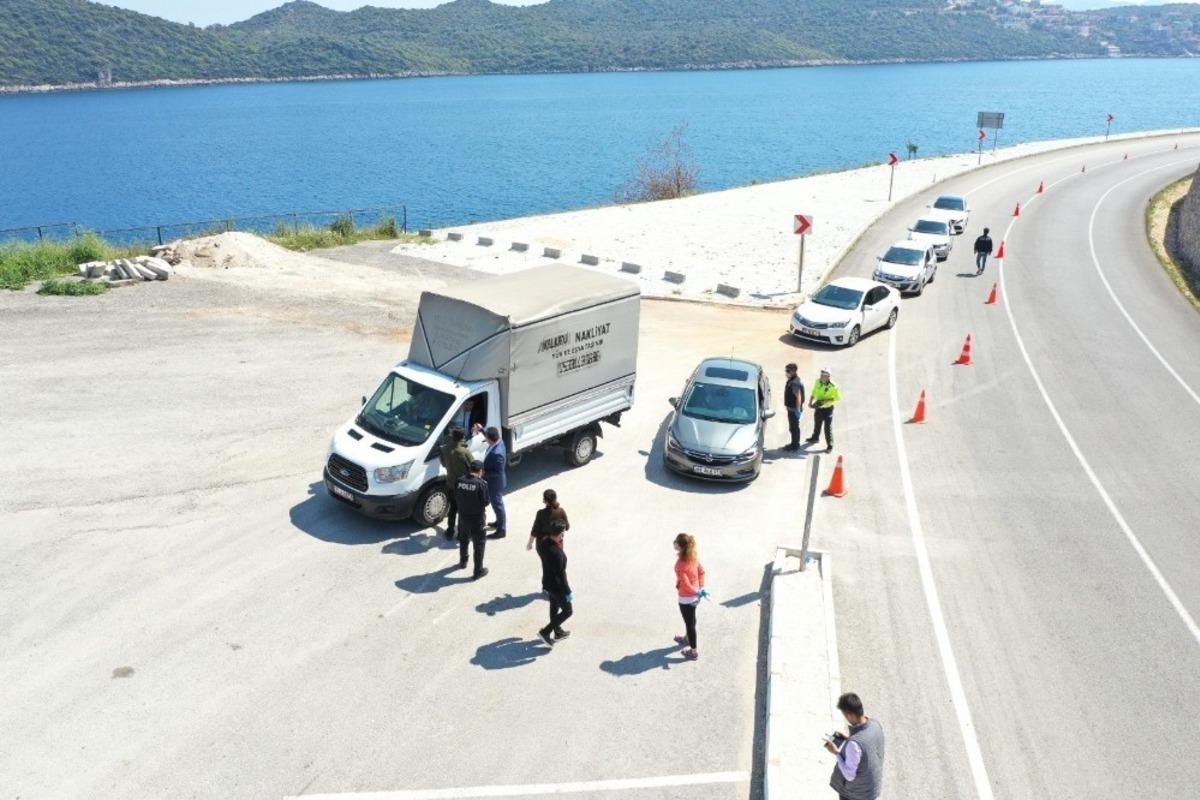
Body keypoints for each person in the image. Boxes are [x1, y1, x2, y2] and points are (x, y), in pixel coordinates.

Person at [825, 692, 886, 800]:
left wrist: (836, 753)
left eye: (845, 715)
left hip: (856, 794)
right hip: (872, 789)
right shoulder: (876, 724)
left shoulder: (854, 744)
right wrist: (849, 740)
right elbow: (867, 747)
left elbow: (849, 775)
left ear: (849, 715)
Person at [536, 519, 573, 646]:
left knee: (554, 606)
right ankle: (546, 632)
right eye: (562, 534)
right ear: (557, 534)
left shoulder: (544, 543)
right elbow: (561, 575)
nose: (563, 536)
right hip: (557, 586)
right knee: (568, 611)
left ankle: (557, 631)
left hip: (548, 582)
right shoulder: (556, 554)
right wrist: (567, 591)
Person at [453, 461, 490, 579]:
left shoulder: (459, 481)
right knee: (479, 544)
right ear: (480, 471)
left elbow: (455, 495)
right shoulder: (481, 484)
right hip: (477, 519)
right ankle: (478, 571)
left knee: (464, 539)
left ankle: (463, 561)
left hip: (463, 517)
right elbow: (486, 502)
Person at [673, 533, 706, 661]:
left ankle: (693, 652)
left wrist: (695, 592)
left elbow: (686, 584)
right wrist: (701, 589)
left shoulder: (680, 565)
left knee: (690, 624)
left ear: (681, 547)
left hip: (686, 599)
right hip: (696, 598)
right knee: (691, 619)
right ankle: (687, 638)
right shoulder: (694, 557)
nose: (674, 543)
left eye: (676, 542)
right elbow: (702, 572)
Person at [439, 427, 473, 541]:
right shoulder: (464, 452)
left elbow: (443, 464)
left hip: (450, 484)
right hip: (463, 487)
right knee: (463, 511)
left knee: (452, 509)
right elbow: (473, 468)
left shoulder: (445, 449)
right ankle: (460, 533)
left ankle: (450, 530)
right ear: (463, 437)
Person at [806, 369, 841, 453]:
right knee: (817, 423)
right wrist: (810, 401)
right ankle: (815, 438)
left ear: (828, 377)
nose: (821, 377)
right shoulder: (817, 382)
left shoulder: (834, 386)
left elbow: (837, 398)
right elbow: (814, 391)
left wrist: (826, 401)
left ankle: (830, 445)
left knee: (827, 428)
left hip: (828, 409)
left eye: (824, 376)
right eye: (821, 375)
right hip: (818, 407)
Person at [483, 427, 508, 539]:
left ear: (490, 439)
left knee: (498, 506)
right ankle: (498, 522)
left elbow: (498, 472)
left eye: (486, 437)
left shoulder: (497, 453)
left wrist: (483, 473)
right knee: (496, 505)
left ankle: (501, 530)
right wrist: (481, 430)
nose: (485, 439)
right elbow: (489, 435)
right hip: (493, 483)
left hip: (495, 483)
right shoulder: (499, 441)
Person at [782, 362, 807, 451]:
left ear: (794, 371)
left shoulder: (795, 382)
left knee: (794, 428)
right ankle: (794, 443)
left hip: (793, 410)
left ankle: (795, 445)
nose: (786, 372)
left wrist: (797, 410)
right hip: (791, 409)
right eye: (786, 370)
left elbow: (798, 397)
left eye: (788, 371)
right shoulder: (792, 380)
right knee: (792, 428)